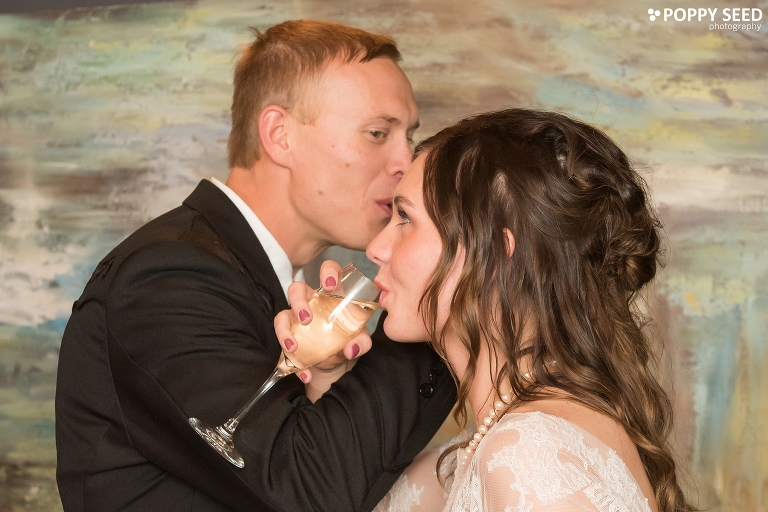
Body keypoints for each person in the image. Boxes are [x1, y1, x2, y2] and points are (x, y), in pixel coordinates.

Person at [55, 20, 455, 512]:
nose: (404, 162)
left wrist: (333, 382)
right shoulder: (168, 277)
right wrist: (445, 293)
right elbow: (310, 489)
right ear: (279, 135)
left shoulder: (262, 278)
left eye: (409, 136)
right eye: (377, 133)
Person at [339, 108, 692, 511]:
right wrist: (330, 378)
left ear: (495, 254)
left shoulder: (525, 459)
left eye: (405, 218)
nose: (376, 248)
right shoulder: (494, 450)